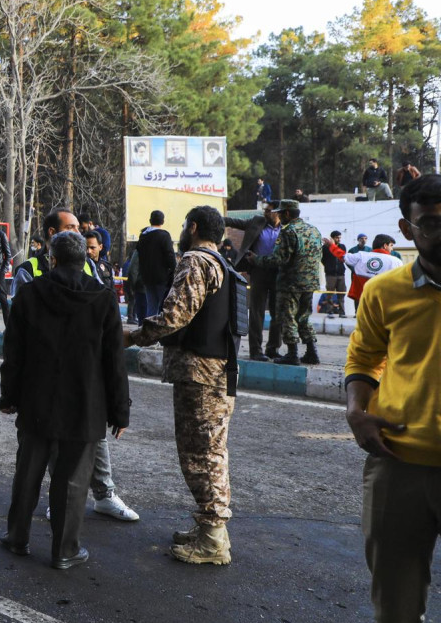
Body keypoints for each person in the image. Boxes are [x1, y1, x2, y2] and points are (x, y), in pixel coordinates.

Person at [344, 174, 441, 623]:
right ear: (407, 229)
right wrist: (356, 412)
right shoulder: (385, 292)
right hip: (399, 465)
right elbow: (363, 359)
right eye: (431, 224)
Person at [0, 231, 128, 570]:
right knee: (72, 481)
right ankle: (65, 551)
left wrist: (8, 396)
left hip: (36, 401)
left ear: (52, 259)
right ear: (85, 259)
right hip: (85, 407)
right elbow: (114, 361)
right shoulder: (103, 298)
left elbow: (14, 353)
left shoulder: (29, 295)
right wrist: (120, 411)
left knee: (27, 473)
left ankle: (17, 537)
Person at [125, 206, 238, 565]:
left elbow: (175, 316)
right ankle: (210, 528)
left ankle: (213, 539)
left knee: (200, 455)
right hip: (218, 371)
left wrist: (134, 336)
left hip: (199, 374)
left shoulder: (195, 261)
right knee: (210, 451)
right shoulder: (221, 263)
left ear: (192, 227)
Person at [11, 207, 138, 522]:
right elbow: (19, 331)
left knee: (94, 437)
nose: (79, 232)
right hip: (47, 374)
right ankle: (61, 499)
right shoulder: (29, 270)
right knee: (55, 440)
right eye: (72, 228)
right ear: (53, 234)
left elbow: (102, 320)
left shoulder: (89, 266)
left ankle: (105, 494)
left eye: (80, 228)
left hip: (84, 372)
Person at [248, 199, 323, 366]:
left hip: (290, 283)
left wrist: (256, 260)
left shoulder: (289, 232)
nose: (279, 216)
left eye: (281, 213)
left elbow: (278, 259)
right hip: (310, 282)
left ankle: (292, 353)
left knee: (287, 317)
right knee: (303, 317)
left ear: (287, 214)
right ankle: (311, 352)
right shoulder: (314, 230)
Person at [225, 203, 284, 361]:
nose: (265, 212)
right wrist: (216, 219)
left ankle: (273, 348)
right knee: (256, 312)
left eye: (269, 210)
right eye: (265, 210)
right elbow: (235, 222)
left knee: (277, 312)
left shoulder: (287, 227)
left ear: (278, 212)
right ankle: (256, 350)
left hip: (279, 273)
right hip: (258, 271)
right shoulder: (257, 221)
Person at [342, 234, 405, 314]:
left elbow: (343, 256)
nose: (392, 248)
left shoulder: (362, 255)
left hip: (364, 301)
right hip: (384, 302)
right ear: (385, 246)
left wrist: (331, 246)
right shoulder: (396, 261)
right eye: (391, 245)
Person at [138, 210, 176, 316]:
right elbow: (170, 256)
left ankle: (149, 329)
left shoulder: (143, 236)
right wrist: (175, 270)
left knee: (151, 306)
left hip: (146, 277)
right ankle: (161, 331)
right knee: (164, 306)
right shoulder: (164, 236)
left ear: (150, 220)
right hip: (162, 277)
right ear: (163, 221)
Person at [320, 231, 348, 317]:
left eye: (340, 237)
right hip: (330, 274)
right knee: (330, 293)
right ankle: (330, 311)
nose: (339, 239)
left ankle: (342, 312)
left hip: (340, 273)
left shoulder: (342, 246)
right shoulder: (325, 247)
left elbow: (342, 256)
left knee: (341, 293)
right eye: (337, 238)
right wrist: (329, 267)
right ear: (332, 238)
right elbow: (323, 259)